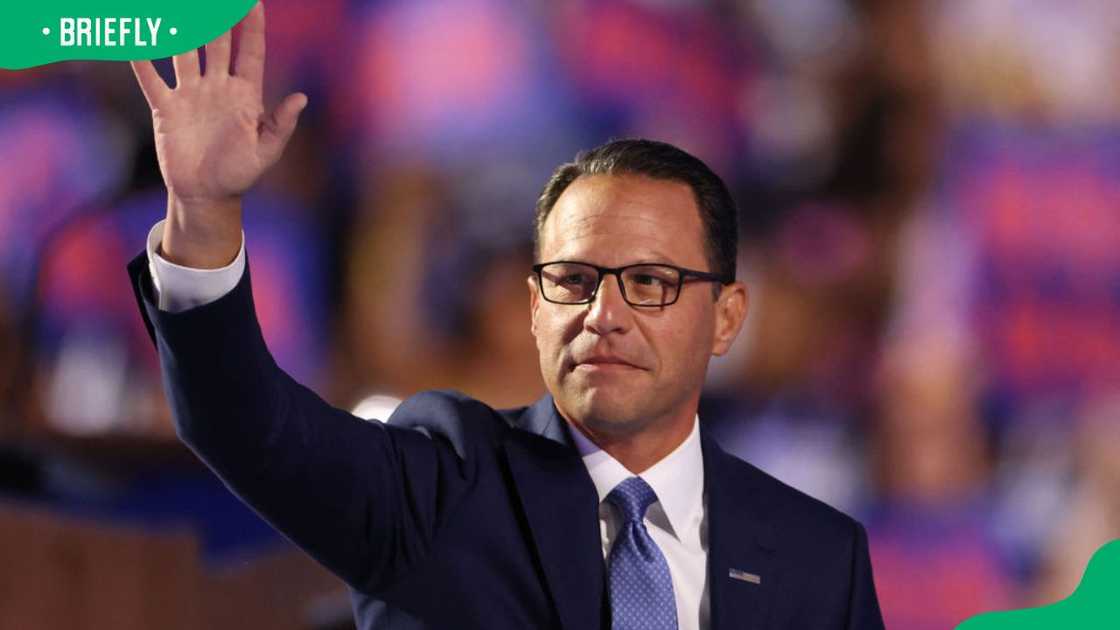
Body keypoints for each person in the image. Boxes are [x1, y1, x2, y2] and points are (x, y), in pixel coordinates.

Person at [126, 4, 884, 629]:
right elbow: (241, 424)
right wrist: (203, 212)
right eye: (574, 280)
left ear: (725, 319)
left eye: (650, 282)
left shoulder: (819, 558)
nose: (605, 314)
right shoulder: (437, 490)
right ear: (531, 307)